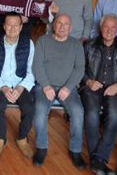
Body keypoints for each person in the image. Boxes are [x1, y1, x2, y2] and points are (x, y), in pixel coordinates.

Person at [32, 14, 85, 168]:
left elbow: (80, 69)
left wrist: (68, 88)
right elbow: (37, 66)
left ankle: (75, 150)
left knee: (78, 112)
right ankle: (41, 147)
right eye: (59, 23)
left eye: (66, 24)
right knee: (40, 110)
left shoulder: (76, 45)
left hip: (67, 88)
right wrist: (46, 85)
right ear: (53, 25)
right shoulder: (43, 41)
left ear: (71, 27)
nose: (62, 27)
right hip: (44, 86)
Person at [81, 14, 117, 174]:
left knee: (115, 115)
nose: (109, 30)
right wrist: (89, 81)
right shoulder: (89, 46)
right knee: (91, 115)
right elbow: (78, 69)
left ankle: (98, 159)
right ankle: (98, 160)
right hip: (92, 87)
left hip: (114, 89)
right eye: (106, 27)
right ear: (100, 28)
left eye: (113, 27)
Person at [0, 12, 35, 158]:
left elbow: (31, 71)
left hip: (21, 82)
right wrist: (3, 87)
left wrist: (21, 88)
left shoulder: (28, 43)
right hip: (1, 83)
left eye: (16, 25)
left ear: (21, 27)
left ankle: (22, 138)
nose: (12, 28)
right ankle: (1, 139)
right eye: (9, 24)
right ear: (3, 26)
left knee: (29, 107)